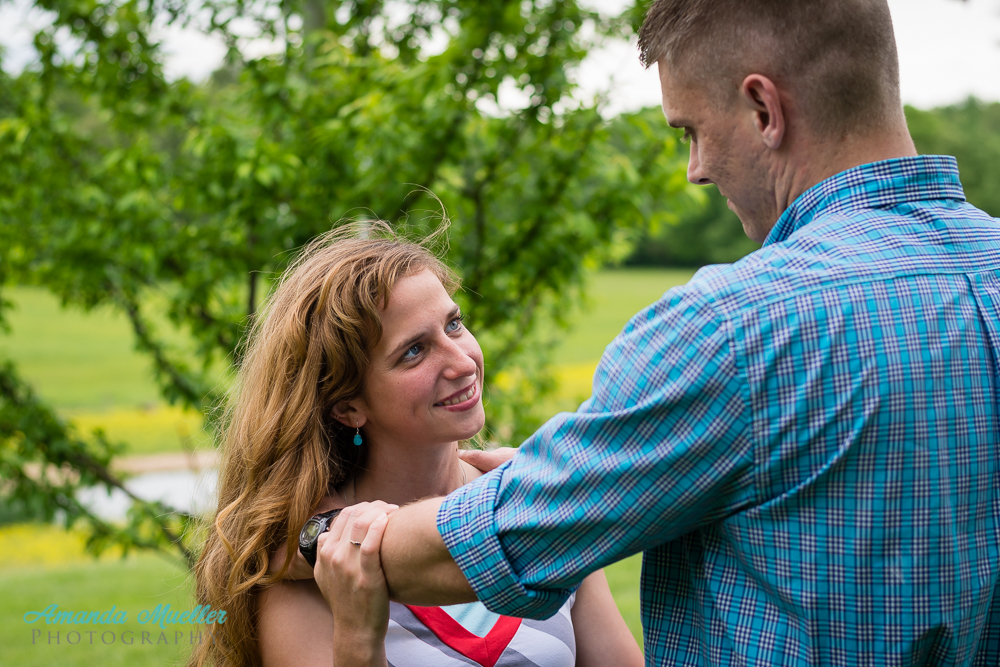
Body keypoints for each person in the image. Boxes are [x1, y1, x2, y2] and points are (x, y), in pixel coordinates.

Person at [330, 1, 1000, 665]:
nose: (695, 169)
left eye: (691, 131)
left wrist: (318, 538)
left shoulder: (735, 329)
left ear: (764, 109)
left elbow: (493, 543)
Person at [188, 226, 643, 667]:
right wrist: (358, 635)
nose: (463, 361)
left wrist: (543, 493)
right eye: (414, 351)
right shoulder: (308, 565)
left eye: (455, 324)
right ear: (347, 407)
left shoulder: (528, 497)